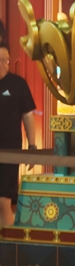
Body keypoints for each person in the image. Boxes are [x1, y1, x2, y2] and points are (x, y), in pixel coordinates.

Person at [0, 41, 36, 226]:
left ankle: (7, 239)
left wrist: (32, 146)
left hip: (10, 150)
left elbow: (28, 116)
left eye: (5, 60)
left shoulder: (18, 84)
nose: (3, 64)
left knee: (4, 202)